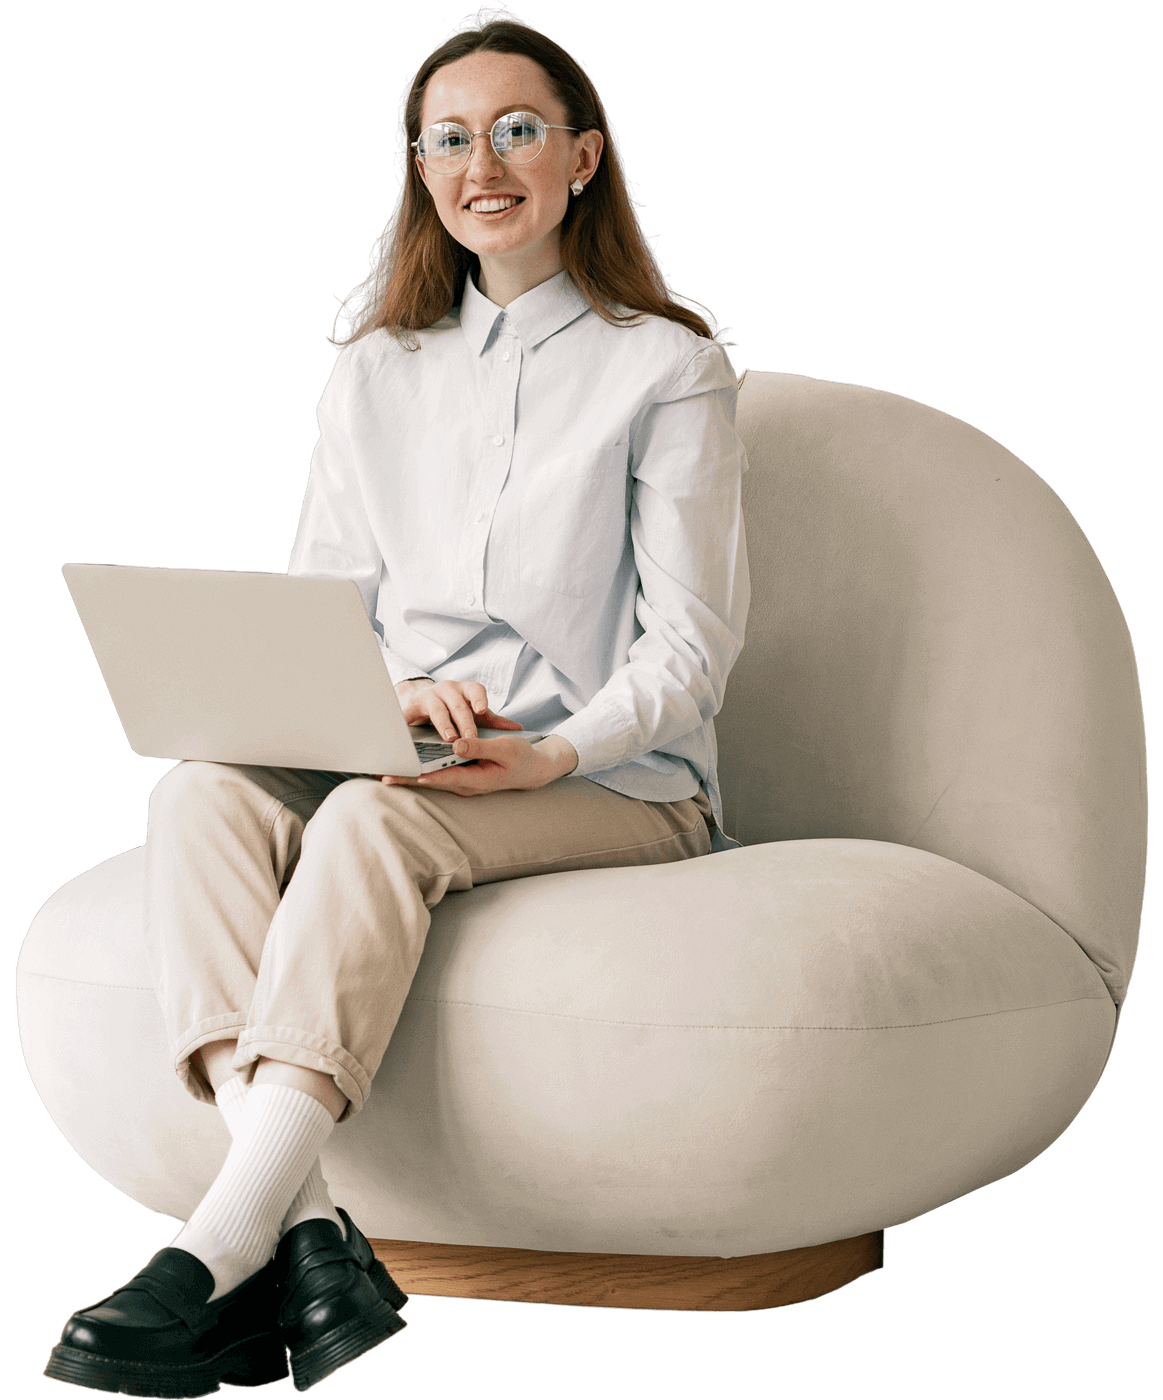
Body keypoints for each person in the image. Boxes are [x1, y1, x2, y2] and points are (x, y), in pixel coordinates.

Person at [44, 10, 750, 1395]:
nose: (479, 162)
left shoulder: (666, 369)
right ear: (418, 171)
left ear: (584, 158)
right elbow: (326, 609)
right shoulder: (376, 374)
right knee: (191, 793)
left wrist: (549, 751)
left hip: (620, 785)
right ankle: (303, 1239)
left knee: (371, 828)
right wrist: (393, 693)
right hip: (411, 751)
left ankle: (211, 1253)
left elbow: (692, 654)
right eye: (446, 138)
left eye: (516, 130)